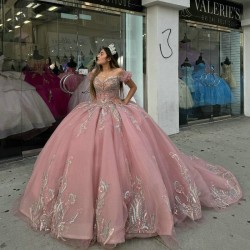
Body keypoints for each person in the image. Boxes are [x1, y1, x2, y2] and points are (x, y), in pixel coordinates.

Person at [17, 43, 242, 249]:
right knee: (85, 157)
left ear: (109, 57)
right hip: (94, 111)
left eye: (102, 53)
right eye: (99, 53)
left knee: (132, 156)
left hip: (118, 111)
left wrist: (123, 101)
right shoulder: (94, 73)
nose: (98, 55)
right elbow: (93, 92)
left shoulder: (118, 73)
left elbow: (131, 87)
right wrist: (96, 103)